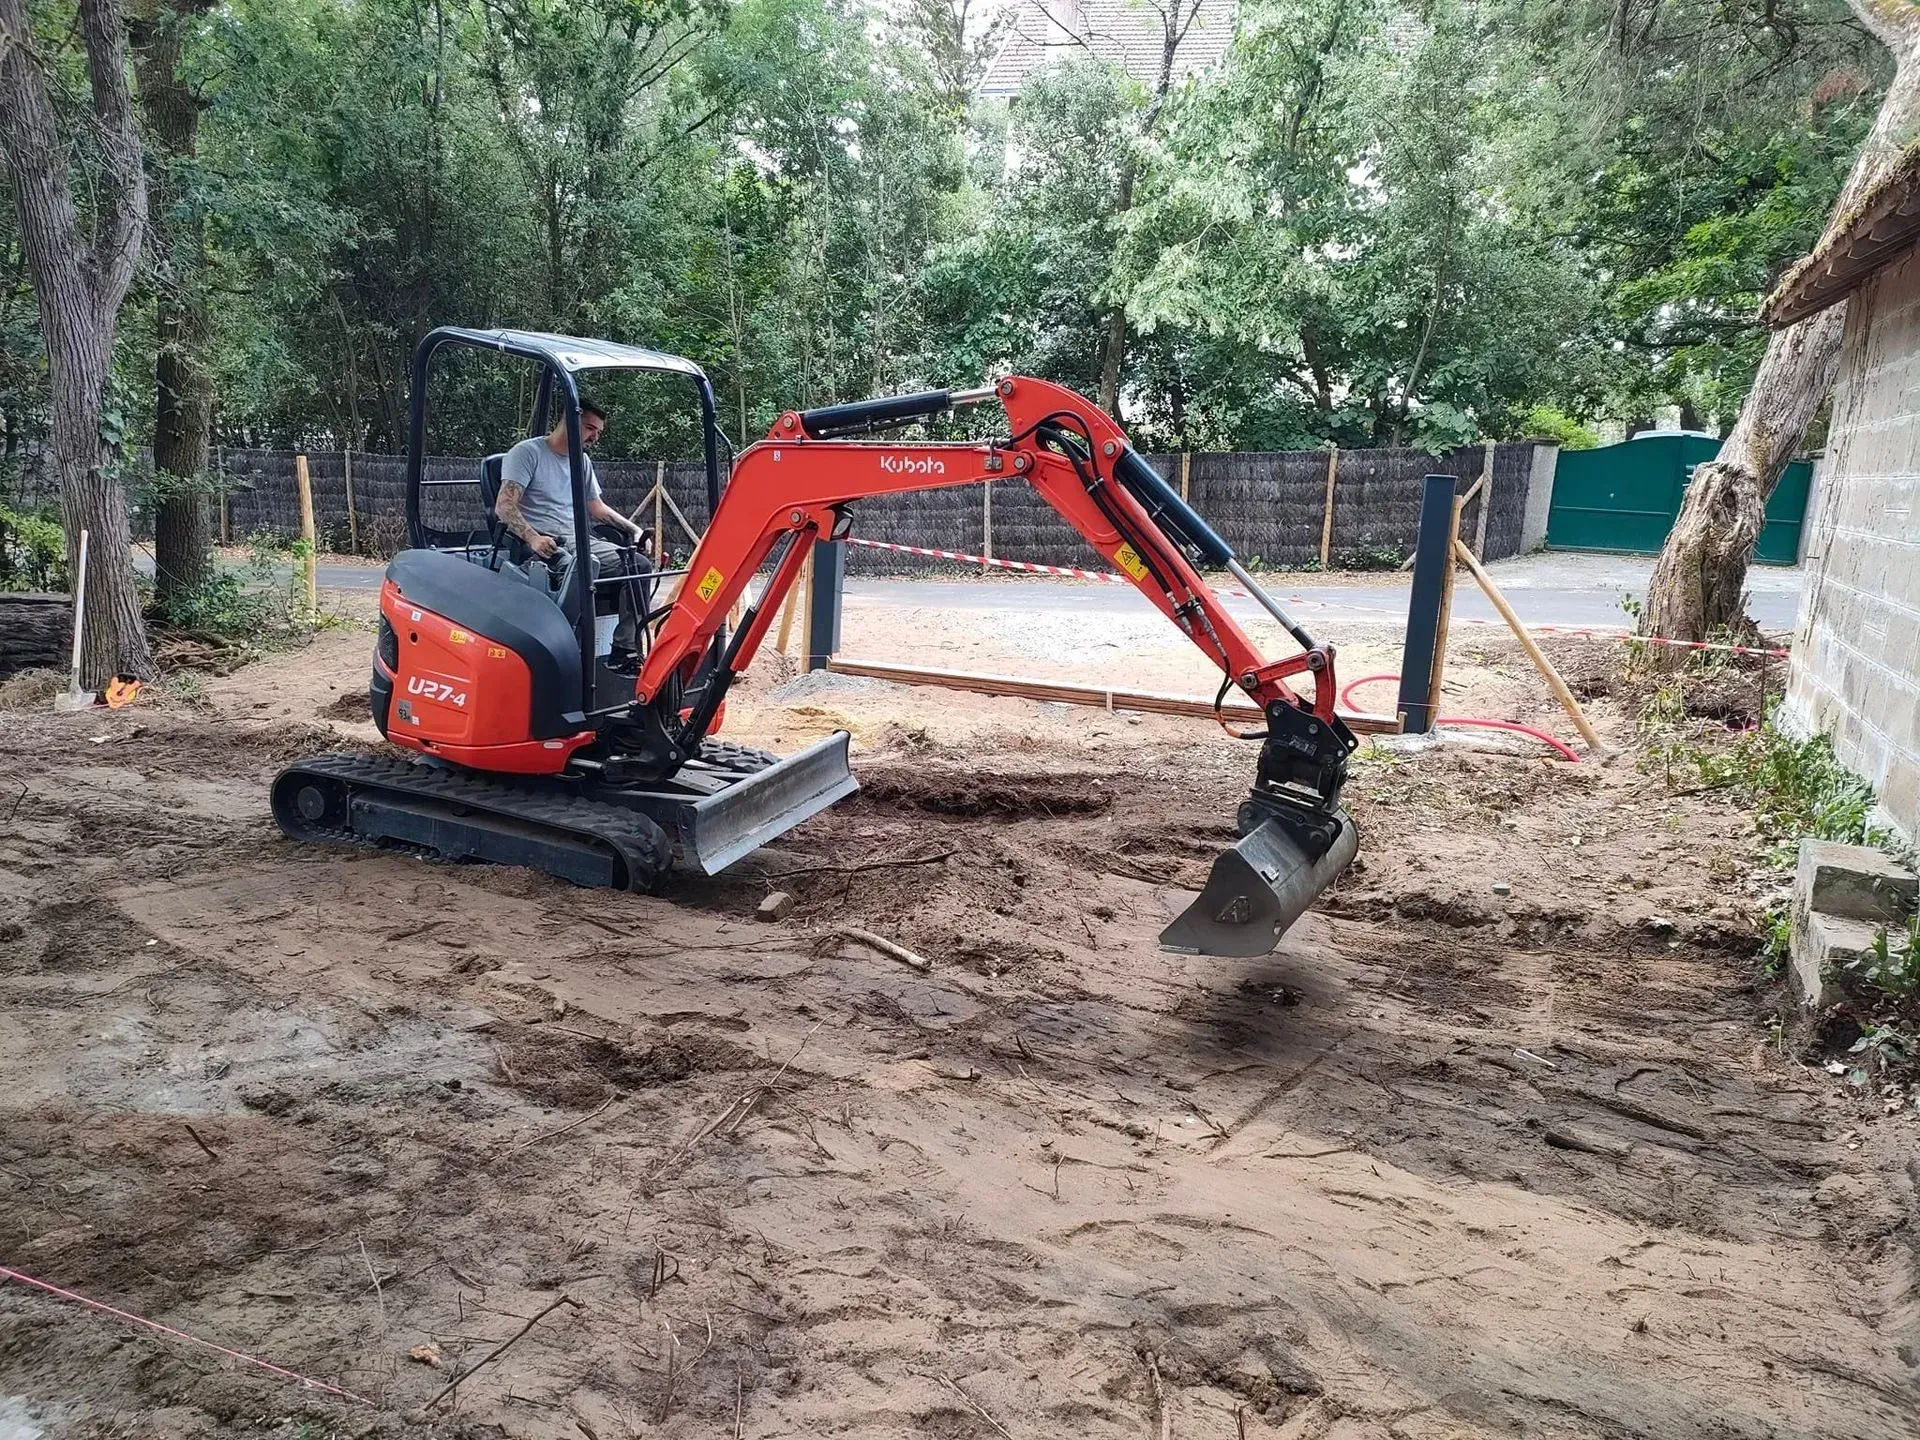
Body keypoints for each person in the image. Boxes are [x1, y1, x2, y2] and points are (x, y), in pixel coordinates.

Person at [494, 398, 649, 660]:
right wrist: (532, 538)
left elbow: (597, 508)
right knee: (585, 566)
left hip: (579, 540)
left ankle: (625, 650)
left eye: (598, 432)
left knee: (639, 565)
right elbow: (504, 506)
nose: (594, 437)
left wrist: (634, 530)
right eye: (590, 428)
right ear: (569, 420)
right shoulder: (527, 453)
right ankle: (564, 653)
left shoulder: (582, 462)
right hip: (545, 544)